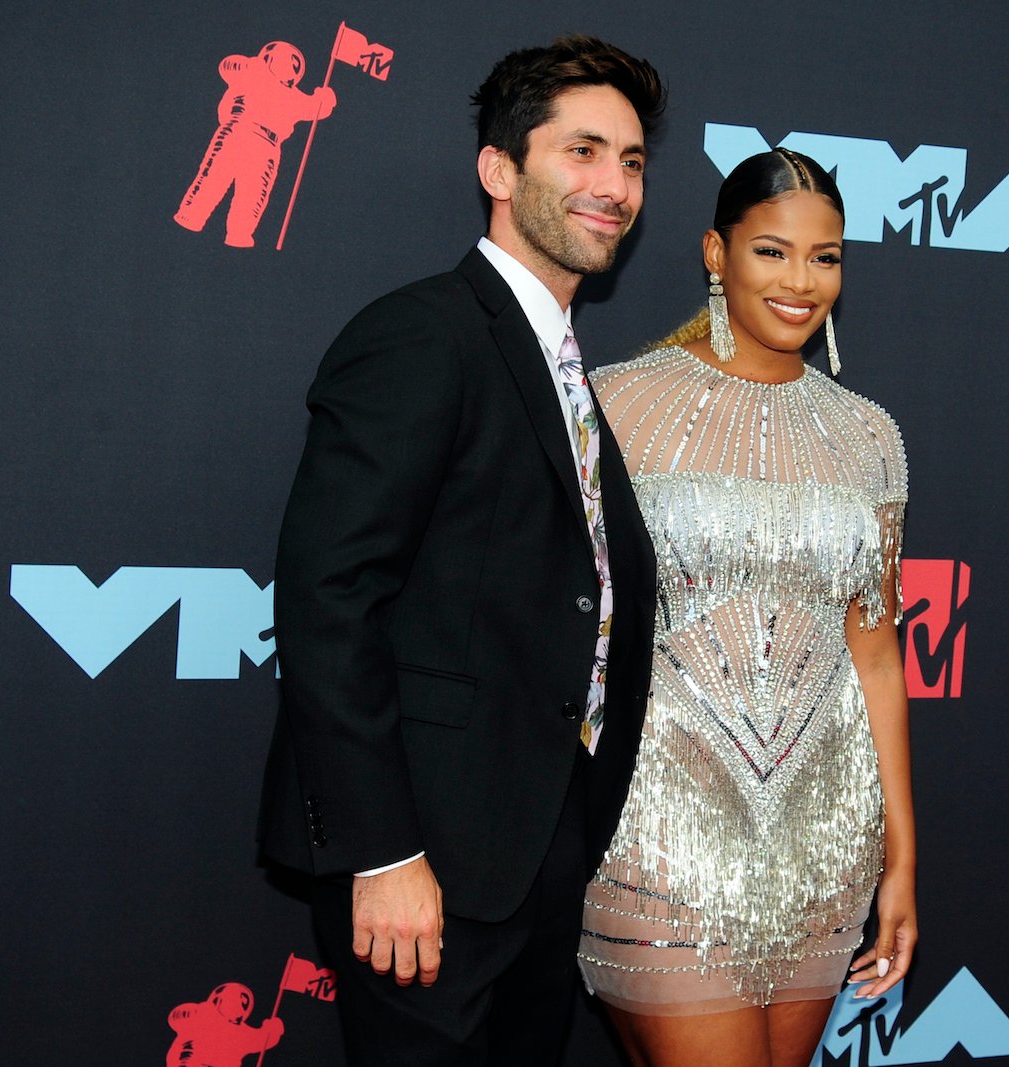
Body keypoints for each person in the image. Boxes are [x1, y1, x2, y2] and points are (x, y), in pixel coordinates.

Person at [257, 35, 665, 1065]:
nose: (612, 185)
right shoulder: (424, 334)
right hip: (423, 858)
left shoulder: (565, 366)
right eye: (582, 151)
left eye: (631, 161)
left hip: (540, 853)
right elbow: (328, 593)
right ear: (499, 169)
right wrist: (382, 848)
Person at [576, 148, 917, 1067]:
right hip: (660, 834)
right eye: (772, 252)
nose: (802, 282)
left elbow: (877, 656)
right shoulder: (614, 406)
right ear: (715, 256)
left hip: (823, 842)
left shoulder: (869, 436)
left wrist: (901, 861)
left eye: (827, 256)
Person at [174, 42, 338, 248]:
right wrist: (252, 65)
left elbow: (315, 109)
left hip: (266, 145)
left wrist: (325, 99)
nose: (289, 65)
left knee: (252, 193)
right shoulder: (252, 72)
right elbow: (227, 65)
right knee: (214, 177)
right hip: (238, 129)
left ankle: (238, 234)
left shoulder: (293, 96)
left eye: (294, 64)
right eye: (287, 59)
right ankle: (191, 216)